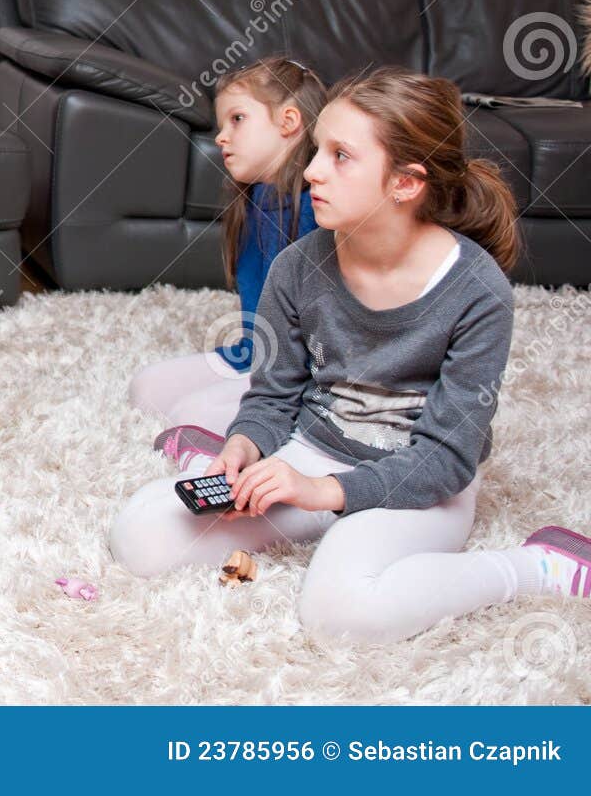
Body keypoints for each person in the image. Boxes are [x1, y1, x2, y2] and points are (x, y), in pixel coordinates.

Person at [110, 67, 589, 642]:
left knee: (339, 615)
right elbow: (273, 394)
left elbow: (446, 458)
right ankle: (306, 515)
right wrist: (246, 445)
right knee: (141, 535)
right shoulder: (298, 267)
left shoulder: (477, 291)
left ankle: (537, 566)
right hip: (315, 454)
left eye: (340, 156)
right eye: (316, 150)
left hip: (419, 483)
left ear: (405, 183)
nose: (310, 170)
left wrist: (322, 493)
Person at [130, 57, 323, 463]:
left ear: (288, 122)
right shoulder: (255, 198)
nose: (221, 137)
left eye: (237, 119)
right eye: (221, 125)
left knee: (189, 415)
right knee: (146, 390)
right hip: (254, 354)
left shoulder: (320, 210)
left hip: (300, 376)